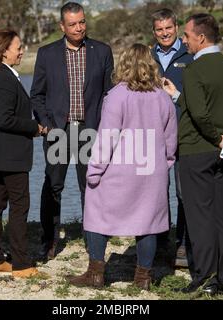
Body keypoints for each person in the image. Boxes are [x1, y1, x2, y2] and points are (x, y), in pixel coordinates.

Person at [66, 44, 177, 290]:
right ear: (151, 65)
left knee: (96, 213)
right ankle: (143, 278)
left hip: (120, 170)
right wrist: (165, 163)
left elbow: (107, 138)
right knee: (148, 221)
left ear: (124, 64)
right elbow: (171, 140)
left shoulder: (117, 95)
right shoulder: (162, 97)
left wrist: (94, 170)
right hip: (152, 171)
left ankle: (95, 273)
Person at [30, 2, 114, 260]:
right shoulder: (47, 53)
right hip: (58, 131)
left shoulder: (102, 51)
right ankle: (49, 240)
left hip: (91, 130)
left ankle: (93, 241)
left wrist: (106, 126)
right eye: (73, 24)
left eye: (82, 22)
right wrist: (46, 124)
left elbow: (109, 94)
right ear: (62, 26)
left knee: (91, 186)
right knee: (53, 186)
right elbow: (37, 94)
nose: (79, 28)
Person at [162, 14, 223, 296]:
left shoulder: (194, 68)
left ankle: (204, 276)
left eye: (186, 35)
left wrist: (214, 136)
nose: (184, 40)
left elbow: (199, 114)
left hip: (197, 150)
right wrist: (178, 96)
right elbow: (215, 106)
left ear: (201, 38)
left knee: (198, 217)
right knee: (222, 215)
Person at [0, 30, 44, 278]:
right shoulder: (6, 79)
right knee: (19, 207)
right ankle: (21, 264)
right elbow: (5, 119)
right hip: (11, 156)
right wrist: (35, 128)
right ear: (4, 50)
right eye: (18, 47)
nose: (22, 50)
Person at [150, 8, 193, 268]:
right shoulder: (147, 56)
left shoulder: (191, 54)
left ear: (176, 27)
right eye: (159, 29)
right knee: (155, 192)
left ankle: (183, 244)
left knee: (183, 192)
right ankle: (158, 242)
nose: (164, 33)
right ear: (153, 31)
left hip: (185, 134)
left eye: (168, 28)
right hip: (154, 137)